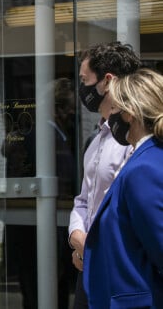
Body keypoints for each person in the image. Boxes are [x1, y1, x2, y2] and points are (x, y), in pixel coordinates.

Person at [68, 41, 141, 308]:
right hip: (88, 266)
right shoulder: (95, 140)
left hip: (118, 268)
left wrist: (92, 247)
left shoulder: (136, 141)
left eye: (85, 80)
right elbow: (84, 199)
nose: (81, 89)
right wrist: (77, 236)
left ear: (107, 81)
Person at [84, 68, 163, 308]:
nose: (110, 118)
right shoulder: (147, 158)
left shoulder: (143, 169)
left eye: (114, 108)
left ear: (129, 113)